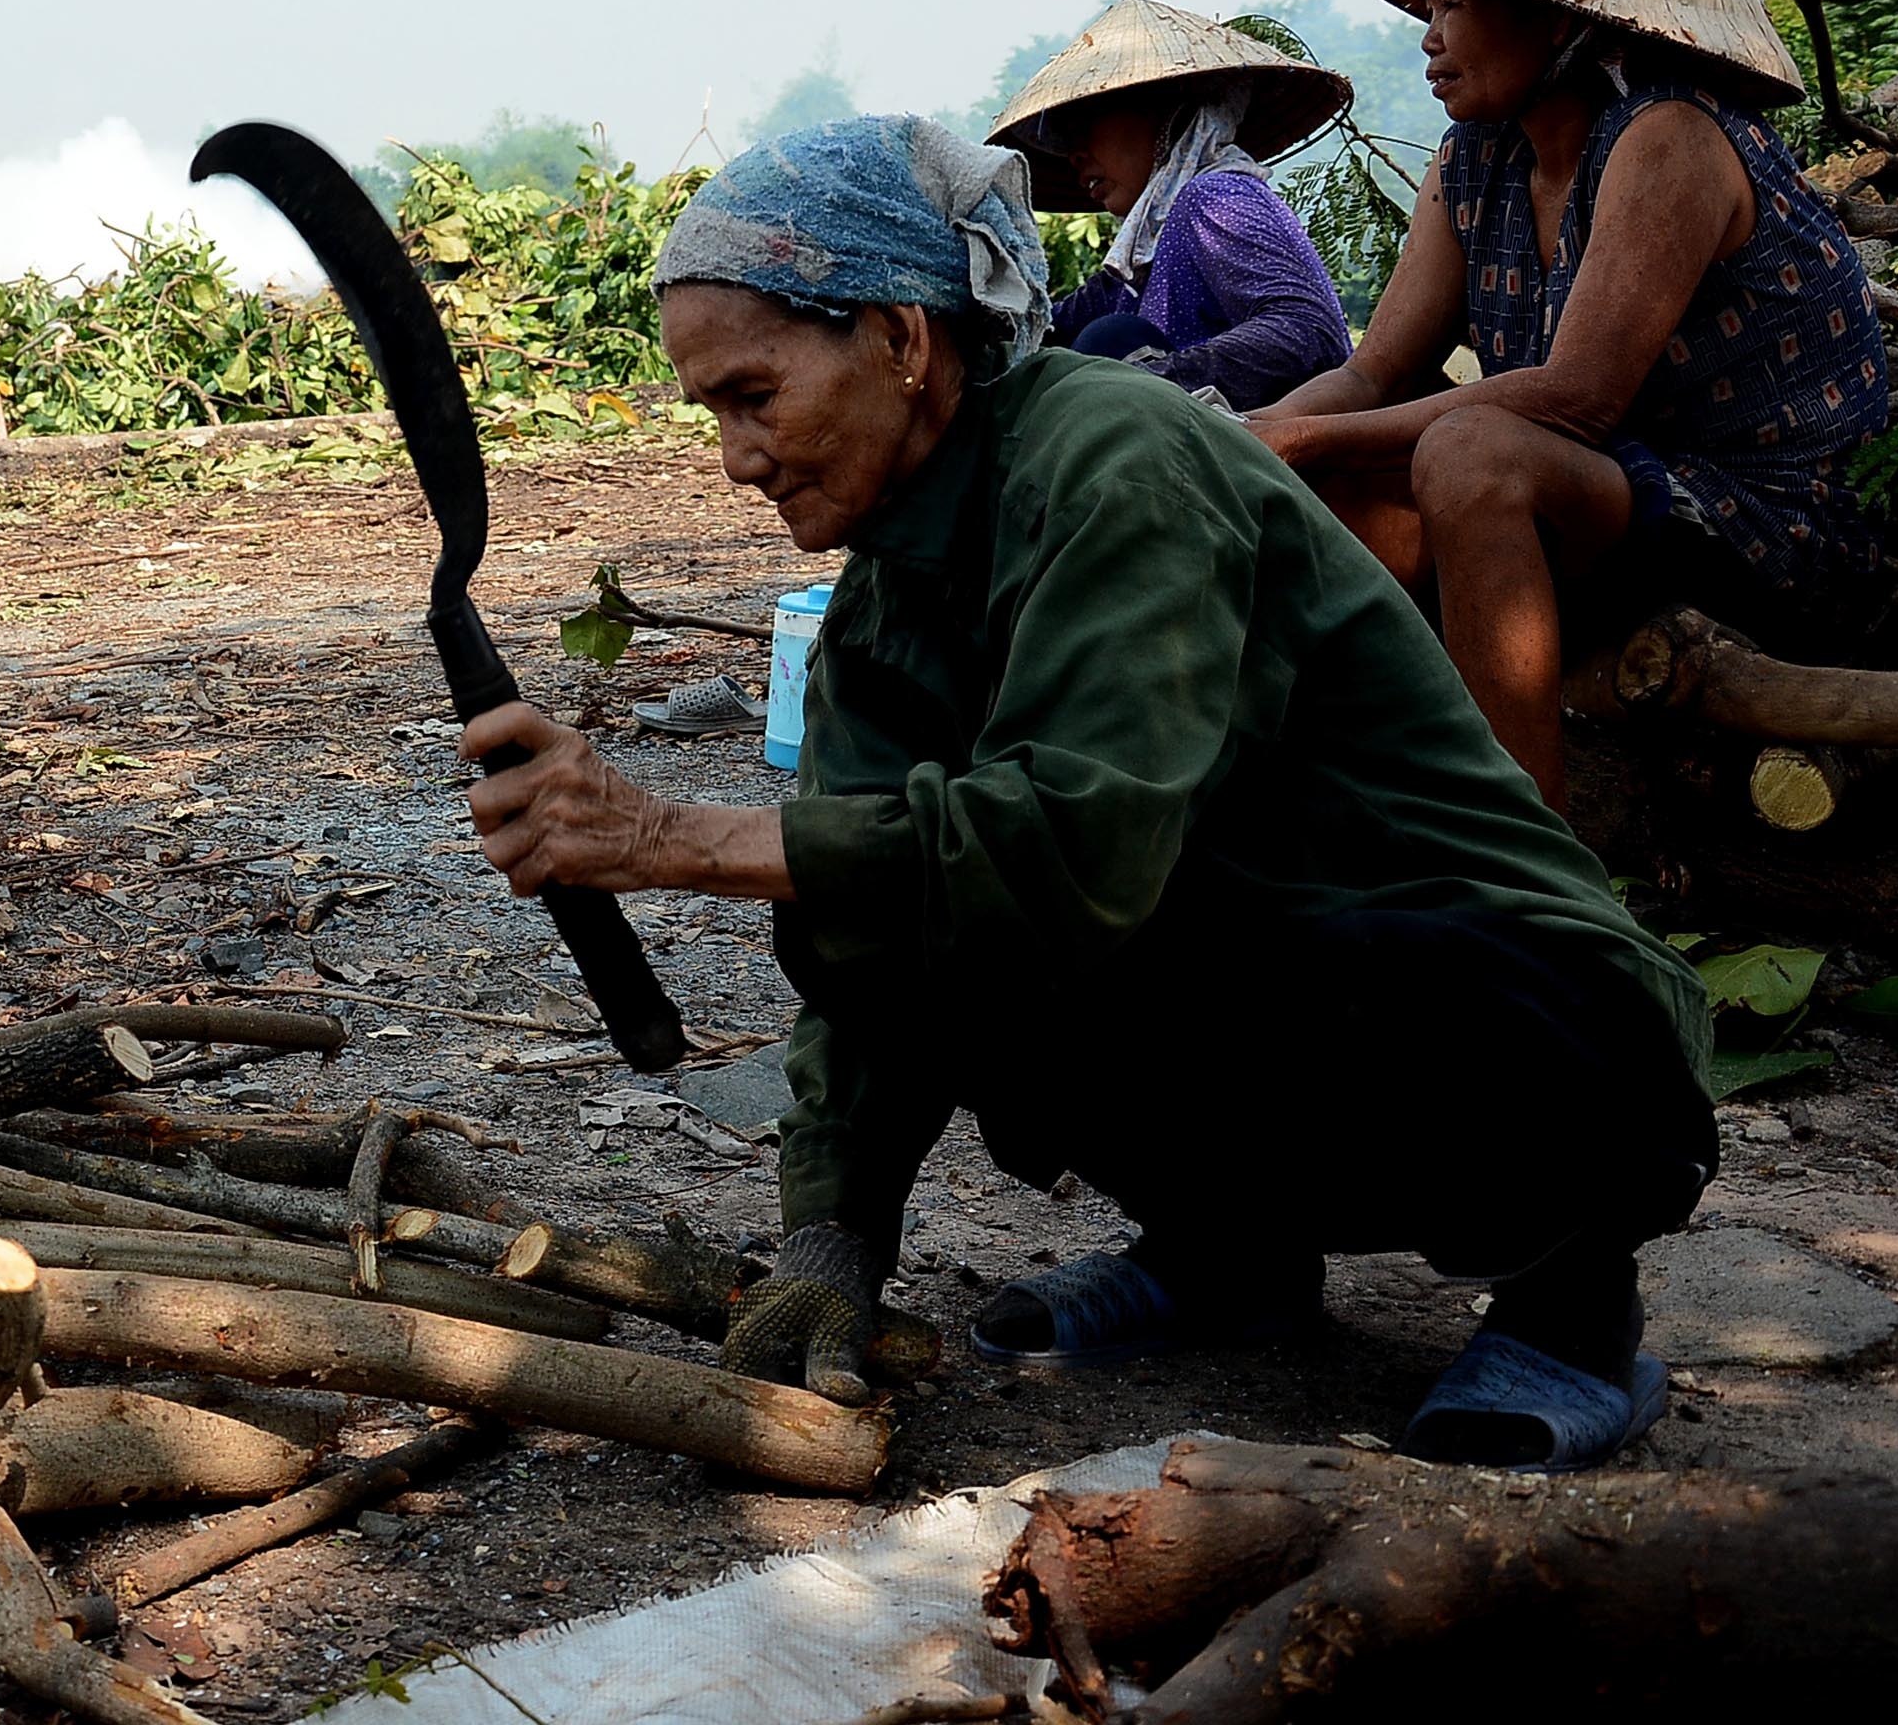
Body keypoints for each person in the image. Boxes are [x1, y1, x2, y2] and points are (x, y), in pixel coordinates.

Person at [461, 113, 1714, 1470]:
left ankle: (1575, 1313)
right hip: (1271, 962)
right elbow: (874, 943)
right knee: (877, 902)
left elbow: (1079, 836)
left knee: (1143, 910)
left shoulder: (1120, 458)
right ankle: (1230, 1254)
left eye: (755, 396)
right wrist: (832, 1243)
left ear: (902, 337)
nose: (738, 459)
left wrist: (669, 837)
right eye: (716, 414)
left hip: (1517, 996)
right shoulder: (886, 598)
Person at [1252, 0, 1893, 806]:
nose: (1427, 35)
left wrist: (1299, 436)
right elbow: (1374, 371)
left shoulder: (1667, 137)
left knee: (1469, 453)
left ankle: (1531, 860)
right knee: (1332, 481)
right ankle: (1358, 794)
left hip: (1770, 526)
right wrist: (1253, 439)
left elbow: (1574, 399)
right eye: (1426, 5)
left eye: (1453, 4)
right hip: (1617, 503)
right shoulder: (1473, 160)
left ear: (1561, 19)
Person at [986, 0, 1356, 408]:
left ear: (1165, 111)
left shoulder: (1214, 196)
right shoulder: (1143, 255)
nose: (1074, 155)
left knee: (1110, 342)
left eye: (1085, 127)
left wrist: (1147, 388)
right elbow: (1044, 329)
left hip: (1277, 447)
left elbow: (1306, 331)